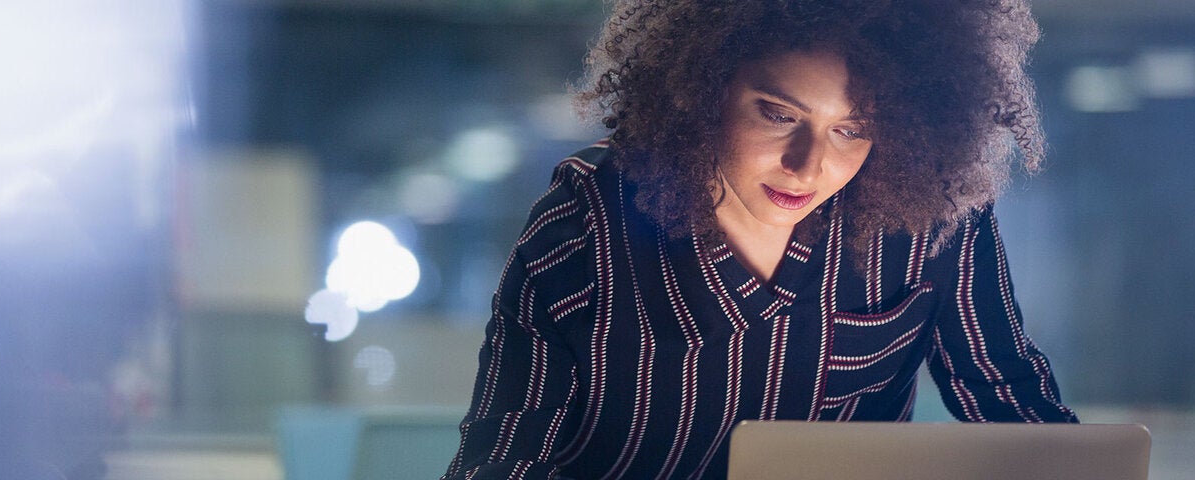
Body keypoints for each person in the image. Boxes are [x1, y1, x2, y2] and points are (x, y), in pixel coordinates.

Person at [443, 0, 1078, 478]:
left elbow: (1016, 410)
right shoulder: (589, 217)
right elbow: (503, 456)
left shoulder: (934, 219)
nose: (807, 166)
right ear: (702, 88)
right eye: (778, 115)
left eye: (851, 131)